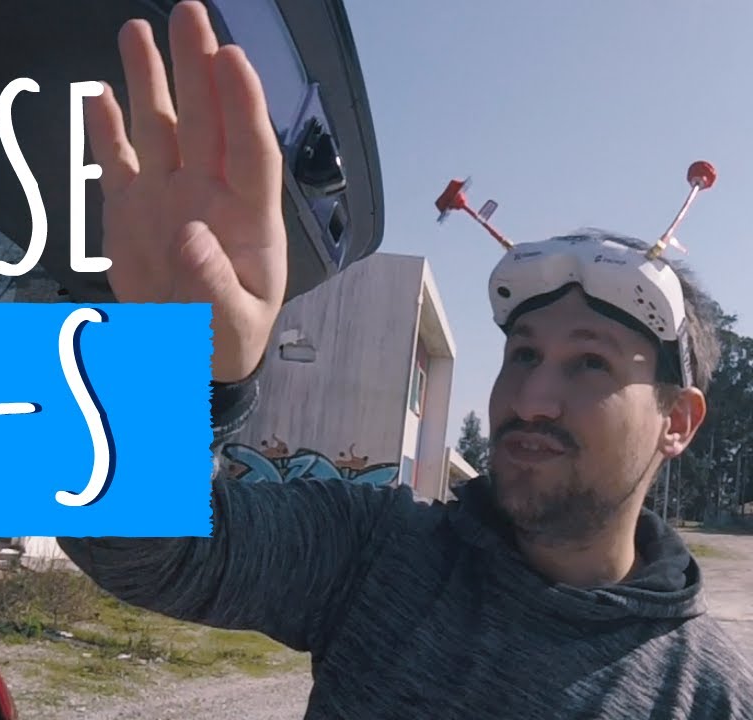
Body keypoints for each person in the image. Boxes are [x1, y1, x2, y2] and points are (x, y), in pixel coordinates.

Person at [56, 2, 753, 718]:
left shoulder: (710, 696)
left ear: (678, 421)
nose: (531, 398)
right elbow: (124, 545)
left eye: (590, 364)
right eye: (523, 353)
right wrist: (172, 363)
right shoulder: (381, 551)